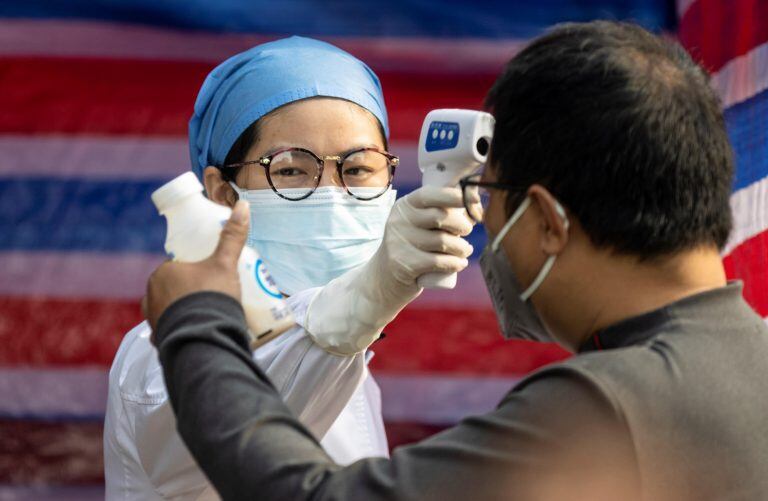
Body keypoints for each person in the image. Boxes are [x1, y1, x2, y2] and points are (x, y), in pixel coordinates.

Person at [146, 21, 768, 500]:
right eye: (292, 172)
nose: (480, 224)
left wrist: (196, 323)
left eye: (489, 196)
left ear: (547, 222)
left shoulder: (607, 410)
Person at [103, 37, 475, 500]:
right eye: (290, 170)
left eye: (358, 170)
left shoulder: (349, 360)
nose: (333, 196)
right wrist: (370, 296)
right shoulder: (157, 354)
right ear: (223, 192)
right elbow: (208, 428)